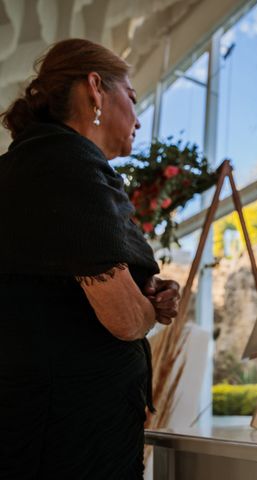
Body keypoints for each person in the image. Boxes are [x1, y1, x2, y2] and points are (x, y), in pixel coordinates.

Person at [0, 38, 181, 478]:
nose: (138, 119)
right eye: (132, 98)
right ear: (96, 88)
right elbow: (123, 318)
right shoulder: (66, 163)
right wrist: (147, 310)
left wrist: (145, 290)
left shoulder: (30, 163)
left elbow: (57, 282)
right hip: (70, 436)